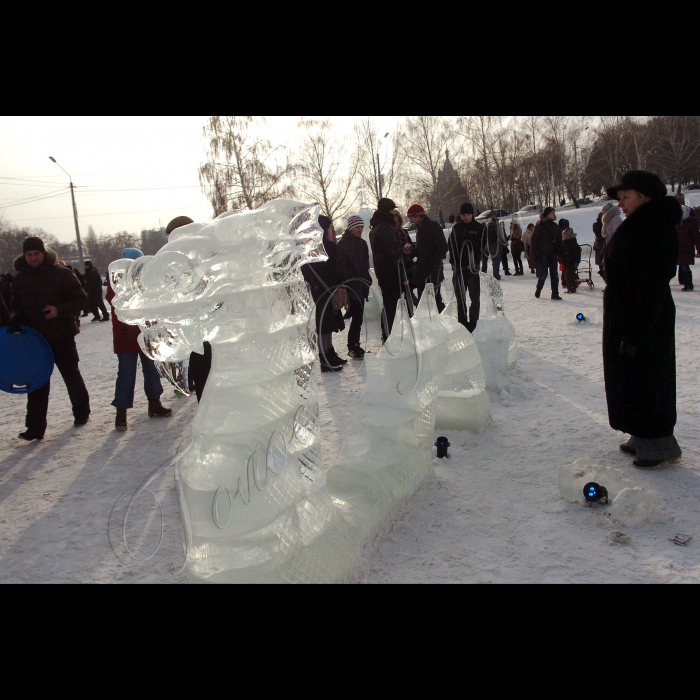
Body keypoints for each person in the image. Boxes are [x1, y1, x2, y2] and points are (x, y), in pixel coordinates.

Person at [604, 171, 683, 469]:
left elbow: (653, 285)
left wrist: (636, 332)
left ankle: (660, 443)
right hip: (628, 311)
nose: (621, 204)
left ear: (645, 197)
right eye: (620, 198)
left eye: (626, 197)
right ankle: (642, 433)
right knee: (631, 377)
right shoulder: (640, 223)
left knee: (649, 377)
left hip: (646, 315)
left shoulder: (654, 227)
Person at [9, 237, 91, 441]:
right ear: (24, 256)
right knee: (37, 383)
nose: (33, 257)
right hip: (35, 340)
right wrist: (15, 319)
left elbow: (80, 298)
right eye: (29, 254)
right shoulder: (19, 280)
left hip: (61, 335)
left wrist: (59, 310)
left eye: (36, 253)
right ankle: (35, 428)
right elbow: (16, 305)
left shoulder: (62, 274)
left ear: (43, 254)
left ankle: (82, 413)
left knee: (71, 376)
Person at [106, 249, 173, 431]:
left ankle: (154, 403)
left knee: (152, 370)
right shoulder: (118, 283)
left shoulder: (150, 280)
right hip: (126, 336)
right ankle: (121, 412)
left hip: (147, 334)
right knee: (126, 374)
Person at [164, 216, 211, 402]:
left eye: (171, 235)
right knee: (203, 380)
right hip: (195, 335)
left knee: (207, 380)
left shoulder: (202, 257)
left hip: (208, 334)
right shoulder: (175, 262)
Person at [302, 216, 346, 371]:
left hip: (319, 290)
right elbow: (338, 267)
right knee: (325, 324)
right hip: (329, 289)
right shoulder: (329, 247)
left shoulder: (310, 248)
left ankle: (328, 353)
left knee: (325, 323)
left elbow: (305, 271)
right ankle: (326, 358)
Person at [336, 215, 371, 359]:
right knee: (357, 317)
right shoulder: (343, 245)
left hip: (361, 286)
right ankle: (352, 346)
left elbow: (365, 264)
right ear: (351, 228)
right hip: (351, 287)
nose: (360, 229)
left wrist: (367, 279)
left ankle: (355, 345)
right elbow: (340, 266)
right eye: (357, 227)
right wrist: (352, 280)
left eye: (362, 227)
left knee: (359, 317)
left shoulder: (362, 244)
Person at [370, 199, 405, 343]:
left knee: (388, 305)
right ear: (388, 211)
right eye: (391, 210)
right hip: (392, 273)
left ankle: (387, 334)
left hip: (382, 273)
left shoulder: (375, 228)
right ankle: (390, 336)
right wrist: (402, 252)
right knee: (392, 307)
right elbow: (393, 253)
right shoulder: (386, 228)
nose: (393, 212)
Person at [449, 203, 484, 333]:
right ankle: (462, 324)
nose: (466, 217)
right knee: (460, 299)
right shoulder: (457, 228)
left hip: (472, 269)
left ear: (472, 214)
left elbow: (483, 247)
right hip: (459, 270)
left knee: (475, 299)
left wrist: (478, 260)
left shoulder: (479, 228)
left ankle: (474, 324)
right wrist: (453, 262)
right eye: (464, 215)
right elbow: (451, 246)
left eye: (468, 214)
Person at [407, 203, 448, 312]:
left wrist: (430, 264)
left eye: (411, 217)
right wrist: (412, 251)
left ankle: (443, 321)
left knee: (435, 300)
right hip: (423, 271)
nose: (410, 221)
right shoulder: (419, 229)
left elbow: (443, 248)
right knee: (424, 302)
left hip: (433, 272)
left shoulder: (432, 226)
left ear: (418, 216)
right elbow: (423, 251)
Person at [532, 207, 563, 300]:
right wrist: (535, 253)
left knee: (554, 274)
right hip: (543, 253)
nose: (554, 214)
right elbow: (534, 240)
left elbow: (559, 240)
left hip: (552, 253)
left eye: (554, 212)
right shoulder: (539, 227)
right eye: (552, 213)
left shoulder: (555, 226)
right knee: (543, 274)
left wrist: (562, 251)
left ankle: (555, 294)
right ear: (547, 214)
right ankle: (538, 289)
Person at [677, 204, 700, 291]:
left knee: (684, 265)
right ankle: (685, 282)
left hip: (687, 248)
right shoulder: (678, 223)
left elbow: (696, 237)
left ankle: (688, 284)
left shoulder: (691, 223)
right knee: (682, 265)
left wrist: (698, 248)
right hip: (679, 248)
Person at [561, 228, 582, 294]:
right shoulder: (564, 243)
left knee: (568, 275)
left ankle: (571, 288)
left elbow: (577, 253)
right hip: (566, 262)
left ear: (568, 236)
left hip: (572, 262)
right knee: (567, 275)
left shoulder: (573, 243)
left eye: (564, 235)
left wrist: (577, 262)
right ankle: (574, 285)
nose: (563, 236)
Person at [593, 212, 605, 276]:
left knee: (600, 258)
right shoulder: (601, 225)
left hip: (598, 243)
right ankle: (602, 270)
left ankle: (601, 269)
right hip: (601, 242)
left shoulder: (595, 224)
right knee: (602, 257)